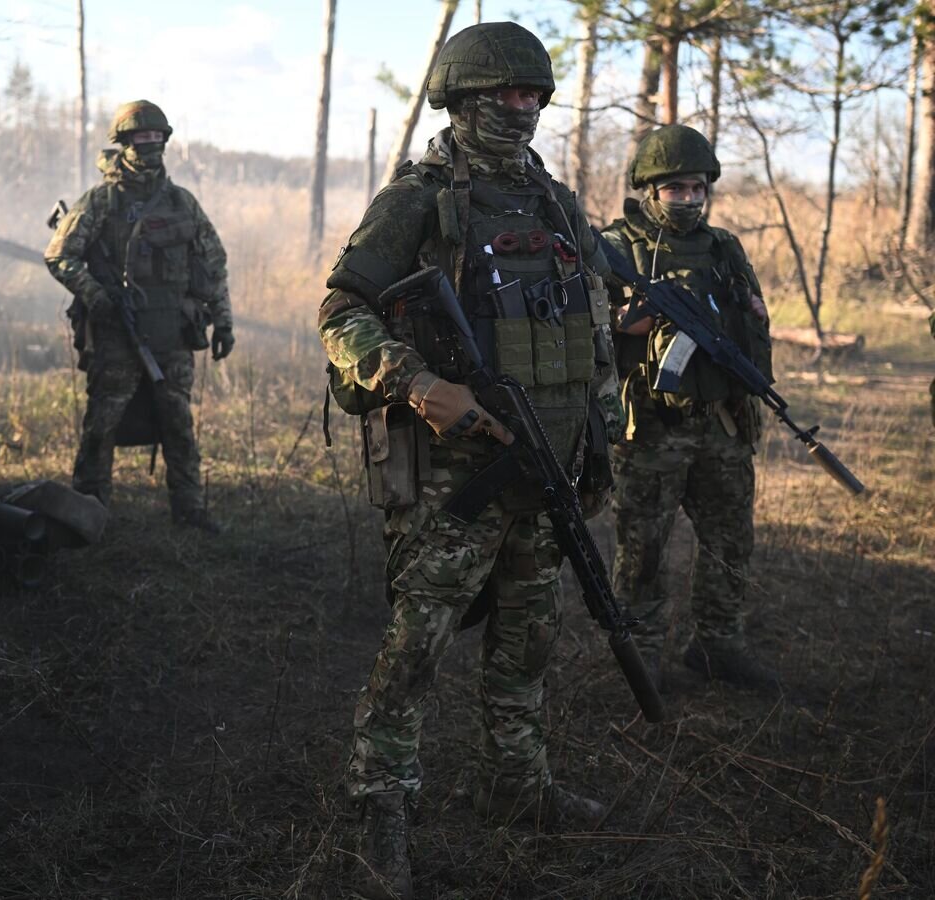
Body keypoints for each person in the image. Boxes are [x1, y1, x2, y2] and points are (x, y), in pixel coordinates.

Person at [319, 23, 616, 900]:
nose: (520, 111)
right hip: (458, 477)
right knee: (418, 646)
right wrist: (415, 385)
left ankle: (516, 784)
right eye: (504, 96)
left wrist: (596, 441)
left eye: (532, 96)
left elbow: (590, 330)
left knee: (529, 639)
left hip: (546, 468)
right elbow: (341, 314)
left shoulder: (556, 204)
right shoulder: (418, 201)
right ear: (462, 100)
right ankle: (380, 808)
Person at [601, 124, 778, 692]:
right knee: (643, 549)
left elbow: (748, 320)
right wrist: (625, 325)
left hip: (722, 424)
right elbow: (577, 332)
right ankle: (641, 660)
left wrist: (750, 314)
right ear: (649, 191)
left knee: (731, 541)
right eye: (676, 189)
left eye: (699, 188)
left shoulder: (724, 247)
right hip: (652, 429)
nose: (690, 200)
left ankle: (717, 644)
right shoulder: (616, 248)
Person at [46, 101, 234, 531]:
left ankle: (189, 512)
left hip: (173, 336)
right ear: (124, 143)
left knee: (179, 426)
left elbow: (213, 267)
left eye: (155, 138)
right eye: (140, 138)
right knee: (101, 427)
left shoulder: (181, 203)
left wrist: (223, 322)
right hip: (116, 335)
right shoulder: (101, 201)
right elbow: (59, 255)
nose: (149, 145)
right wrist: (97, 296)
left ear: (164, 141)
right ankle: (87, 515)